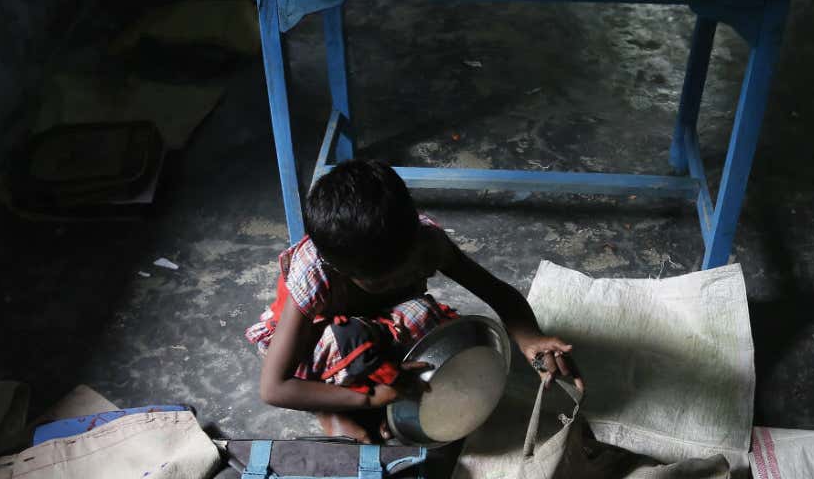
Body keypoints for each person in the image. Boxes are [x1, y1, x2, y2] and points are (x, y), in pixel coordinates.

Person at [246, 159, 583, 442]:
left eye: (404, 268)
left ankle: (385, 397)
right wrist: (368, 399)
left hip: (378, 327)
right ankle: (333, 406)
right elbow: (275, 387)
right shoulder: (315, 273)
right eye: (381, 279)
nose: (397, 279)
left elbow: (494, 290)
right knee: (350, 342)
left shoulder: (424, 242)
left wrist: (531, 339)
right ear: (337, 267)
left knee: (429, 320)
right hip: (321, 346)